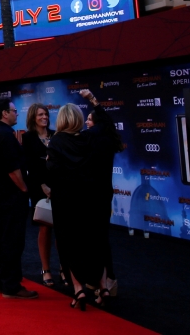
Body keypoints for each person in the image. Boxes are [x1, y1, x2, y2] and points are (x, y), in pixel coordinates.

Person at [46, 102, 103, 310]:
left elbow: (52, 170)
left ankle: (78, 289)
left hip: (65, 200)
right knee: (90, 241)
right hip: (88, 198)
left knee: (68, 244)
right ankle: (101, 286)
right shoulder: (89, 139)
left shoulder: (56, 141)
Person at [0, 97, 37, 299]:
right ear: (4, 113)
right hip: (9, 197)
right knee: (12, 241)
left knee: (0, 239)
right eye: (14, 110)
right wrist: (24, 189)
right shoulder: (5, 135)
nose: (17, 113)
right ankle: (11, 286)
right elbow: (13, 169)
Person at [81, 88, 124, 301]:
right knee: (101, 239)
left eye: (89, 118)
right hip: (103, 194)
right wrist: (93, 100)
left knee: (93, 240)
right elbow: (107, 120)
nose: (87, 121)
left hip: (89, 196)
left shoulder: (87, 138)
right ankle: (108, 282)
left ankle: (98, 282)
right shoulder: (107, 136)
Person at [22, 102, 57, 287]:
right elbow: (29, 165)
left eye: (46, 114)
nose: (44, 117)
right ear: (33, 118)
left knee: (62, 229)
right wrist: (42, 185)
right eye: (40, 115)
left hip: (59, 186)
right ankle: (46, 269)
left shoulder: (55, 135)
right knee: (45, 228)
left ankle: (66, 269)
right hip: (39, 187)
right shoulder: (28, 137)